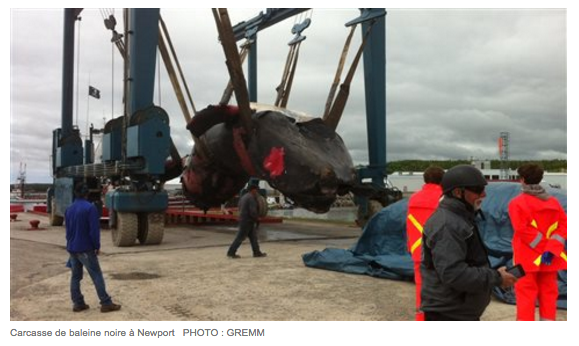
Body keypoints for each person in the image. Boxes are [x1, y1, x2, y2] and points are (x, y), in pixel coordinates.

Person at [420, 164, 517, 321]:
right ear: (458, 192)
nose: (484, 195)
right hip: (449, 314)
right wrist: (496, 278)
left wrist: (496, 274)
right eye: (478, 189)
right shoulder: (447, 224)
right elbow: (454, 274)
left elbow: (468, 261)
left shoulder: (461, 217)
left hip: (459, 310)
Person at [508, 163, 567, 321]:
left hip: (526, 260)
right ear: (541, 179)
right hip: (550, 259)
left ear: (522, 180)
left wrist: (543, 249)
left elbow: (523, 230)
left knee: (525, 295)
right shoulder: (554, 203)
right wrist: (550, 251)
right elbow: (563, 228)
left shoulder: (516, 204)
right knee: (549, 294)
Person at [65, 182, 121, 313]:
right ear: (87, 193)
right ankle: (106, 303)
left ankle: (78, 303)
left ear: (74, 193)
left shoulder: (69, 209)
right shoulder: (90, 208)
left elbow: (68, 231)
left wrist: (70, 245)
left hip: (72, 247)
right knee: (96, 275)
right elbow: (94, 231)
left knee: (75, 277)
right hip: (86, 248)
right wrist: (96, 246)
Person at [406, 166, 444, 321]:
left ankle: (421, 318)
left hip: (418, 250)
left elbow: (409, 226)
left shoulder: (413, 198)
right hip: (440, 252)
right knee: (443, 289)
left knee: (421, 287)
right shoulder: (444, 199)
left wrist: (410, 247)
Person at [227, 184, 267, 258]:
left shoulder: (244, 197)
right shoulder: (251, 198)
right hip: (247, 221)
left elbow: (239, 206)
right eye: (256, 190)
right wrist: (257, 218)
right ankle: (231, 252)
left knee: (253, 237)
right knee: (240, 237)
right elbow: (253, 211)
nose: (257, 191)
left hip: (244, 219)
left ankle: (256, 252)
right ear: (253, 190)